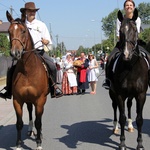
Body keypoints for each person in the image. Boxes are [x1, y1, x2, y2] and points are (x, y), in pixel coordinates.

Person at [0, 2, 63, 99]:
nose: (32, 13)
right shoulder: (21, 24)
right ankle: (8, 90)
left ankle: (54, 88)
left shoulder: (41, 25)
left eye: (33, 11)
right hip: (23, 53)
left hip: (39, 51)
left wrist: (46, 41)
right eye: (29, 11)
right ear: (25, 12)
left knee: (52, 66)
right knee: (10, 68)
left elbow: (49, 42)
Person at [102, 0, 150, 89]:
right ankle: (108, 80)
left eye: (131, 5)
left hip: (134, 43)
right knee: (109, 59)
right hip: (121, 43)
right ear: (124, 8)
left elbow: (137, 33)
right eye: (127, 5)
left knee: (148, 56)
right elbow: (118, 34)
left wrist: (131, 43)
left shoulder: (137, 19)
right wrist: (124, 43)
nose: (129, 6)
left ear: (133, 7)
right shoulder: (119, 19)